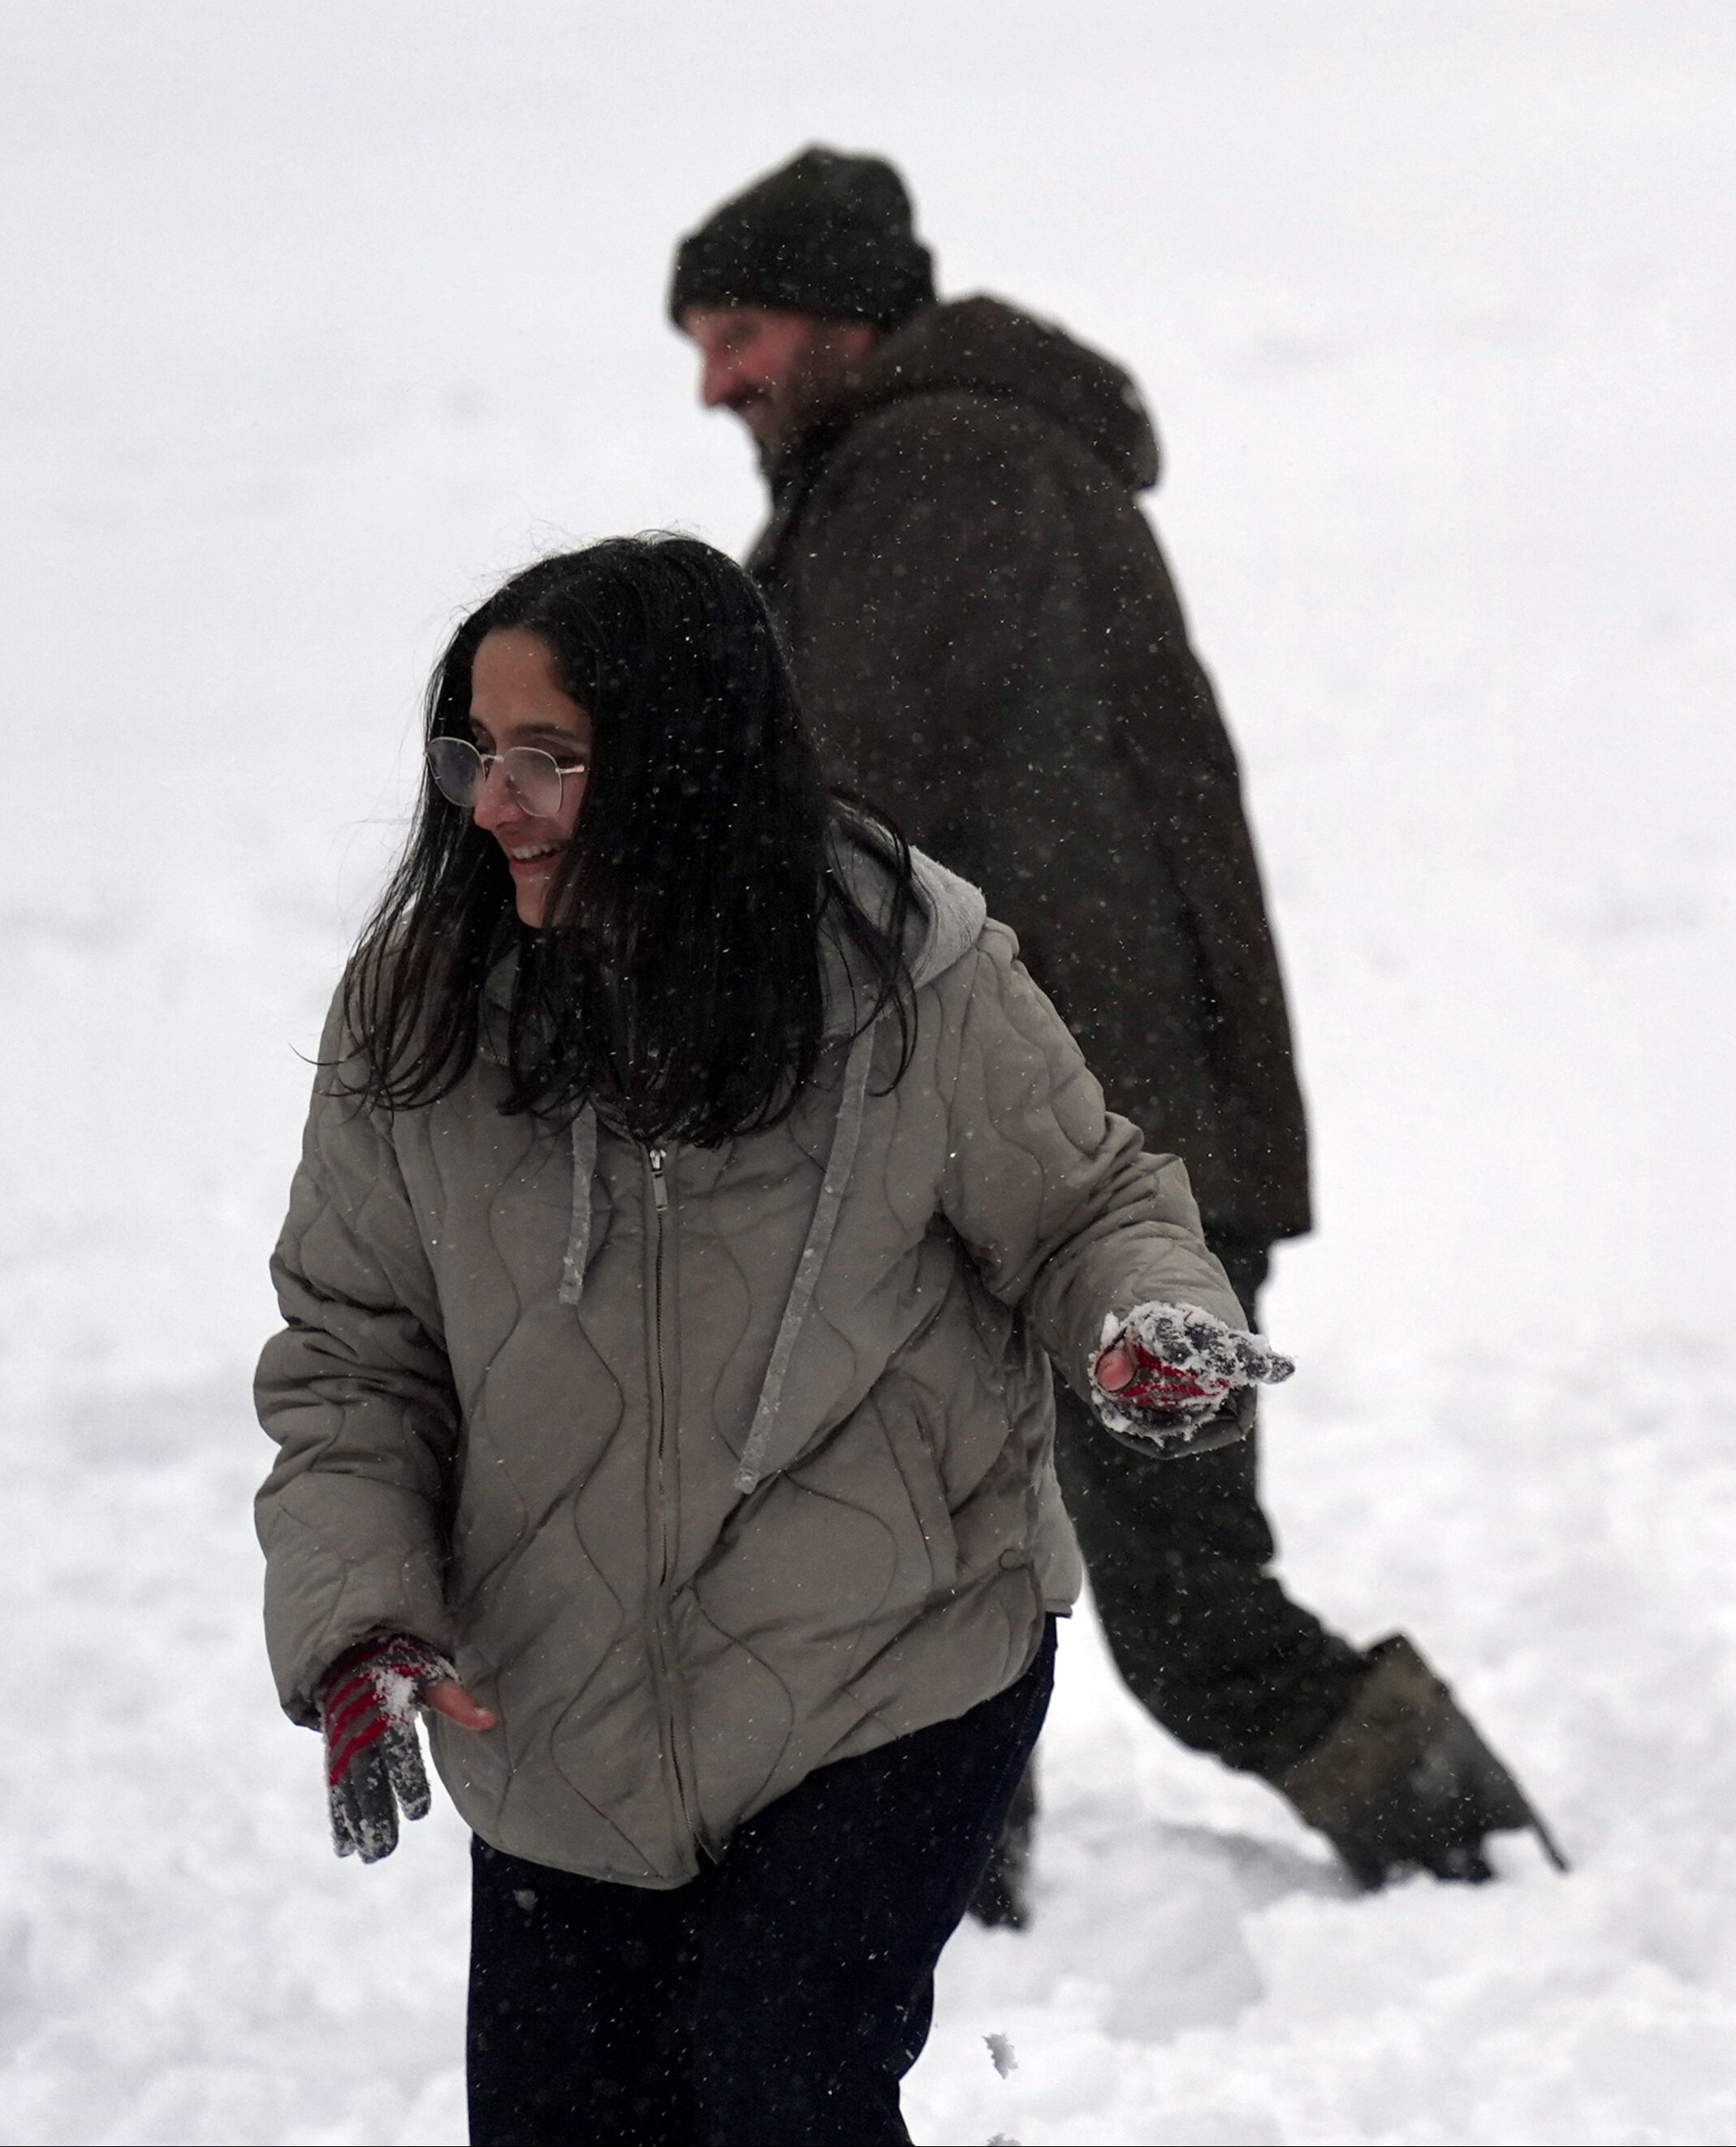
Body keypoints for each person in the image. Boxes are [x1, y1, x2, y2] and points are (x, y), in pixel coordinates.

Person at [255, 536, 1287, 2143]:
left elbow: (1089, 1207)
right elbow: (353, 1360)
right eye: (473, 749)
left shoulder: (905, 980)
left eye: (547, 755)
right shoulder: (420, 1017)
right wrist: (359, 1615)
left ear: (682, 760)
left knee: (779, 2077)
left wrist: (1149, 1322)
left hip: (887, 1665)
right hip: (561, 1718)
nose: (493, 803)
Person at [666, 145, 1552, 1912]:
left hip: (1089, 1172)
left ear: (848, 312)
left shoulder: (938, 471)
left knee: (1178, 1607)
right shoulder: (941, 468)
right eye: (700, 341)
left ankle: (1488, 1885)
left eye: (742, 328)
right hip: (1057, 1157)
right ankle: (934, 1923)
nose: (716, 380)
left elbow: (856, 831)